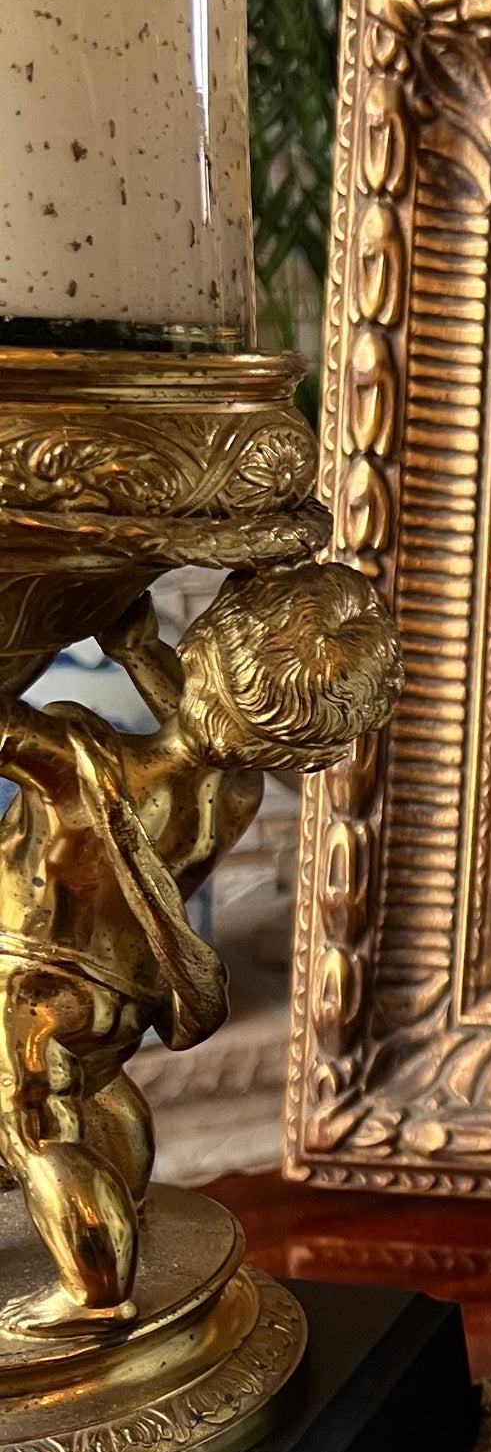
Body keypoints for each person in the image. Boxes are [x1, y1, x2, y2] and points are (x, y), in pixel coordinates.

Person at [0, 563, 399, 1329]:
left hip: (33, 984)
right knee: (96, 1095)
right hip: (120, 998)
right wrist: (133, 639)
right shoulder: (236, 792)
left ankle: (94, 1292)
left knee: (35, 1124)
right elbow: (195, 720)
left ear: (206, 649)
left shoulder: (81, 767)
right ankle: (125, 1211)